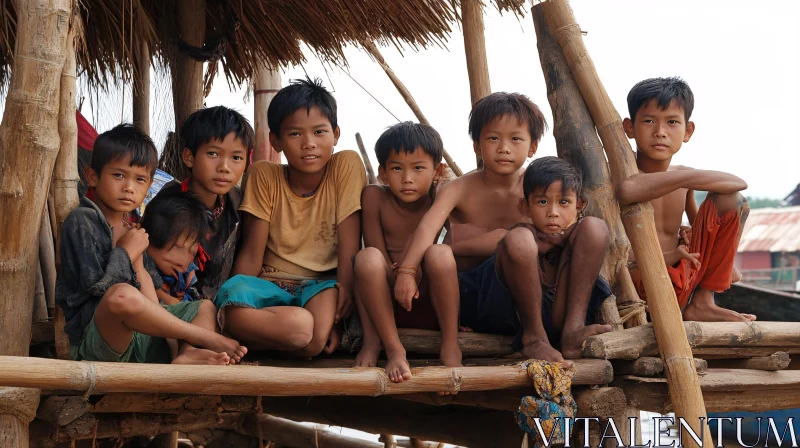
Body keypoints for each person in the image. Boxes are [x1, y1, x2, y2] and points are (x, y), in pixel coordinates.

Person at [394, 92, 612, 368]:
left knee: (594, 227)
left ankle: (573, 330)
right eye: (493, 138)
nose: (504, 148)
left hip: (543, 291)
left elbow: (563, 229)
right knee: (520, 238)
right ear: (477, 146)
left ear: (532, 147)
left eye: (515, 139)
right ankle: (533, 338)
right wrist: (407, 271)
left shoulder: (540, 187)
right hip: (489, 297)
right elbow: (427, 228)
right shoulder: (458, 188)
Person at [55, 124, 247, 365]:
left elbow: (149, 293)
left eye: (140, 180)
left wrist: (168, 340)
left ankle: (185, 353)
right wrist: (126, 252)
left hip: (142, 339)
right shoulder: (82, 222)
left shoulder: (134, 229)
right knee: (122, 296)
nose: (129, 187)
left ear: (148, 186)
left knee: (204, 307)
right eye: (118, 175)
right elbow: (96, 290)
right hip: (101, 344)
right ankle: (204, 337)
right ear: (92, 176)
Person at [218, 78, 367, 356]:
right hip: (268, 283)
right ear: (276, 140)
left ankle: (257, 340)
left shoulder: (345, 165)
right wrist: (235, 295)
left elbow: (350, 244)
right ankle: (255, 334)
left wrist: (342, 305)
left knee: (306, 333)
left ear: (335, 134)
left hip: (322, 286)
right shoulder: (264, 174)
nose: (309, 143)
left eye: (319, 132)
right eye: (296, 134)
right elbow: (252, 252)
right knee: (294, 328)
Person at [616, 77, 753, 322]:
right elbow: (627, 191)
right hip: (631, 284)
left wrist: (722, 262)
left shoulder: (684, 179)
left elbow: (736, 187)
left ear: (687, 131)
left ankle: (702, 303)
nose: (660, 132)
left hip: (679, 281)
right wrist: (683, 178)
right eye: (648, 121)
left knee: (732, 200)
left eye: (672, 122)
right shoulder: (614, 175)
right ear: (629, 128)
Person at [352, 121, 445, 382]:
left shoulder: (441, 197)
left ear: (437, 171)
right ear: (382, 173)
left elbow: (448, 247)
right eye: (396, 168)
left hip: (425, 290)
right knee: (366, 258)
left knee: (441, 257)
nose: (407, 178)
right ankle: (387, 347)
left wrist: (414, 272)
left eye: (418, 168)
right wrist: (400, 274)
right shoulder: (374, 196)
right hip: (385, 289)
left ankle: (450, 344)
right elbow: (375, 249)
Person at [156, 106, 254, 301]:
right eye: (213, 154)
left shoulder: (238, 203)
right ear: (189, 157)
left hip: (227, 302)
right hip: (173, 304)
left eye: (236, 158)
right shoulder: (168, 204)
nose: (224, 167)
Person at [140, 190, 213, 305]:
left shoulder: (187, 273)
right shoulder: (139, 264)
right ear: (148, 238)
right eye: (178, 247)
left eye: (192, 251)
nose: (184, 260)